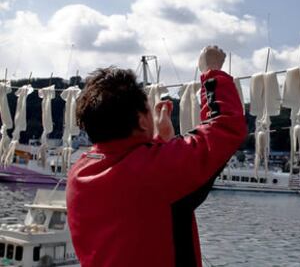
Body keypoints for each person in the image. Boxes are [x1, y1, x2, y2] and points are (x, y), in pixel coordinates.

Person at [66, 45, 247, 267]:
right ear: (142, 120)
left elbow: (139, 194)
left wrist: (161, 143)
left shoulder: (79, 171)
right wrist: (211, 72)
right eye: (148, 109)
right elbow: (225, 126)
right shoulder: (153, 172)